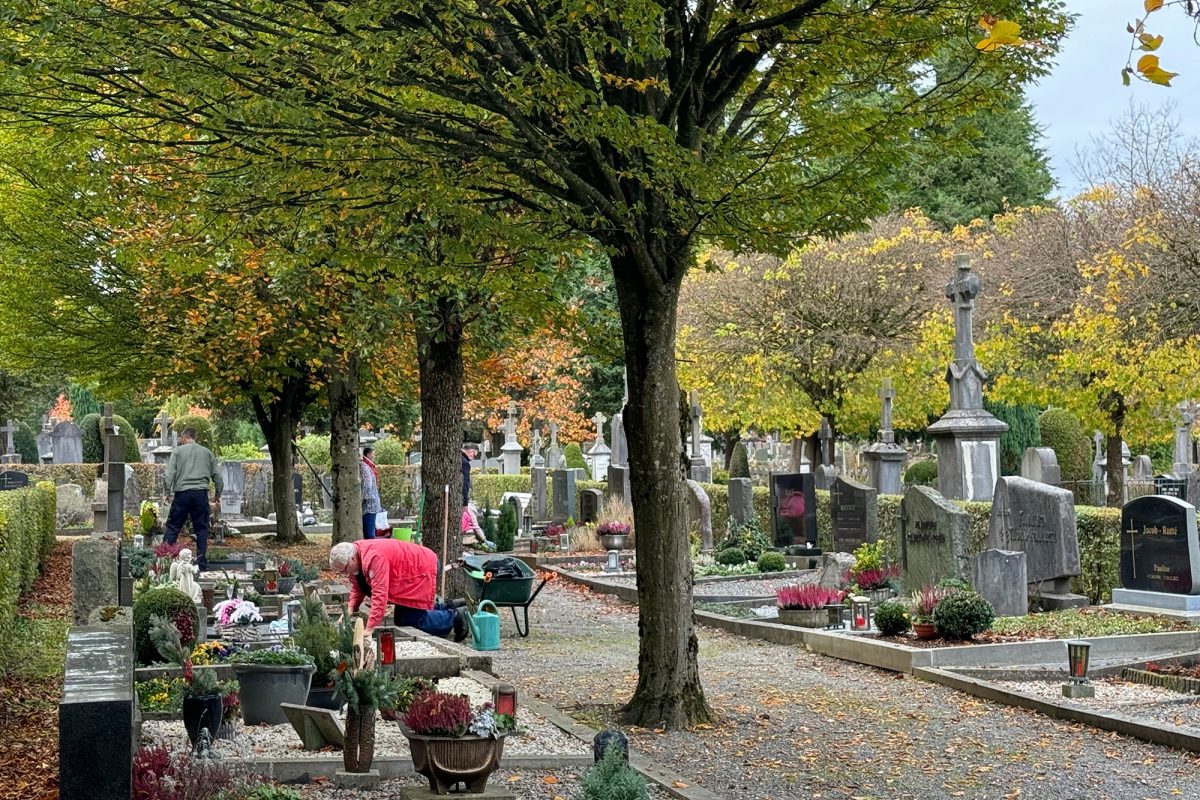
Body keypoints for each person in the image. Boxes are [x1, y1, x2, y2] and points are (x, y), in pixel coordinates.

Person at [329, 539, 467, 641]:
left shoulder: (373, 558)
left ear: (352, 558)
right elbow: (358, 586)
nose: (345, 574)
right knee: (401, 618)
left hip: (420, 570)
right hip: (408, 573)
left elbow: (380, 594)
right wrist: (350, 609)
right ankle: (450, 607)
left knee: (410, 619)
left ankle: (454, 617)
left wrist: (369, 628)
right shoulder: (356, 554)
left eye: (345, 569)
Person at [162, 426, 222, 571]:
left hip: (182, 494)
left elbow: (170, 474)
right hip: (200, 494)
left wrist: (167, 492)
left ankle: (165, 561)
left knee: (173, 527)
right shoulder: (207, 453)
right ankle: (201, 563)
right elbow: (217, 477)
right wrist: (217, 495)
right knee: (201, 529)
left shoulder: (177, 452)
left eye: (181, 439)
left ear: (184, 437)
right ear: (195, 438)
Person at [361, 446, 382, 539]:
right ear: (368, 454)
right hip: (370, 505)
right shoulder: (366, 467)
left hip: (369, 505)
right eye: (373, 454)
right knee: (370, 532)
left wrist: (367, 498)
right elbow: (367, 486)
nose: (374, 456)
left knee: (369, 533)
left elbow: (367, 486)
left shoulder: (366, 467)